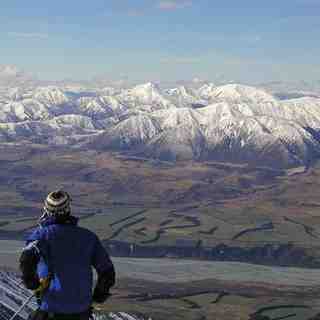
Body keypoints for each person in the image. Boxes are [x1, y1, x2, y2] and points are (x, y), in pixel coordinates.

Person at [19, 190, 115, 320]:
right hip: (81, 311)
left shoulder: (42, 236)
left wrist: (34, 284)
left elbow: (26, 260)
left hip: (51, 308)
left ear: (46, 210)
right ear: (68, 209)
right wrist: (98, 296)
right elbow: (107, 271)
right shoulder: (88, 237)